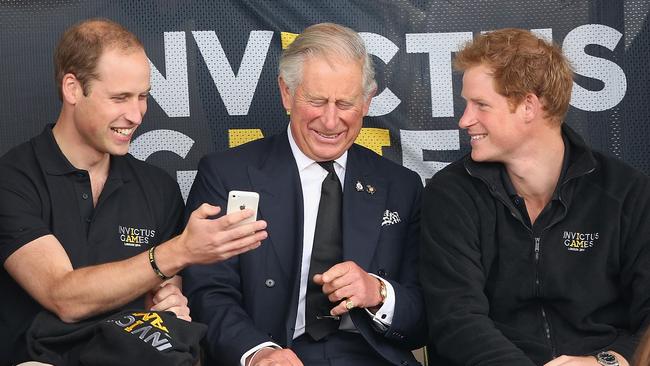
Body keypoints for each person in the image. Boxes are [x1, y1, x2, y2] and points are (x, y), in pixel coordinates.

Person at [0, 18, 267, 365]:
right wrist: (178, 251)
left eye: (143, 97)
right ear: (72, 88)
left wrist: (170, 303)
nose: (137, 114)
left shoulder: (157, 187)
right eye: (120, 98)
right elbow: (64, 297)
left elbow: (163, 293)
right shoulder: (14, 177)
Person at [183, 22, 426, 366]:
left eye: (345, 103)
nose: (330, 121)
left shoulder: (401, 186)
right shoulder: (227, 175)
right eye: (316, 101)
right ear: (286, 93)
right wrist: (256, 353)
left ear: (367, 102)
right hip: (274, 353)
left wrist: (378, 293)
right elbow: (208, 291)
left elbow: (427, 314)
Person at [420, 28, 650, 366]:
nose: (464, 120)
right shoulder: (451, 193)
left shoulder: (626, 192)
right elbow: (456, 320)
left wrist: (610, 360)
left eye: (481, 105)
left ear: (529, 105)